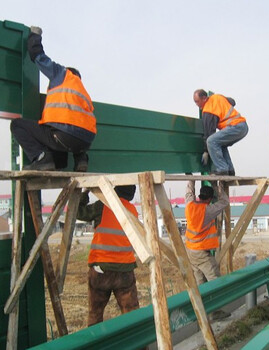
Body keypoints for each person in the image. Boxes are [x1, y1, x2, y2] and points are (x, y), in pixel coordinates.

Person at [10, 26, 96, 171]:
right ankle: (81, 161)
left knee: (17, 125)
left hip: (63, 137)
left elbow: (37, 55)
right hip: (85, 142)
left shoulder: (61, 74)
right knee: (71, 130)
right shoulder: (83, 92)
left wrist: (35, 35)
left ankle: (41, 158)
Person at [77, 185, 141, 326]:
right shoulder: (132, 210)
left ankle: (96, 344)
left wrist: (85, 193)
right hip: (125, 270)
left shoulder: (103, 206)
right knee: (131, 313)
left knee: (95, 313)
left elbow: (78, 212)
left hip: (101, 269)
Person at [185, 180, 231, 320]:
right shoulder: (208, 210)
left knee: (200, 282)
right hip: (200, 252)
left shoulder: (189, 205)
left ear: (199, 196)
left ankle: (202, 312)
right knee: (215, 280)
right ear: (210, 199)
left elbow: (188, 193)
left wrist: (191, 179)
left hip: (190, 250)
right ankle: (215, 312)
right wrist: (218, 186)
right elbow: (224, 202)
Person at [193, 89, 248, 176]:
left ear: (204, 98)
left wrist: (206, 151)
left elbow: (209, 134)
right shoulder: (217, 97)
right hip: (243, 126)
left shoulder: (208, 110)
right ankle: (230, 170)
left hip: (235, 126)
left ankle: (222, 169)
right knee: (220, 143)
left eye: (197, 101)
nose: (196, 104)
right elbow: (232, 101)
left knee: (211, 141)